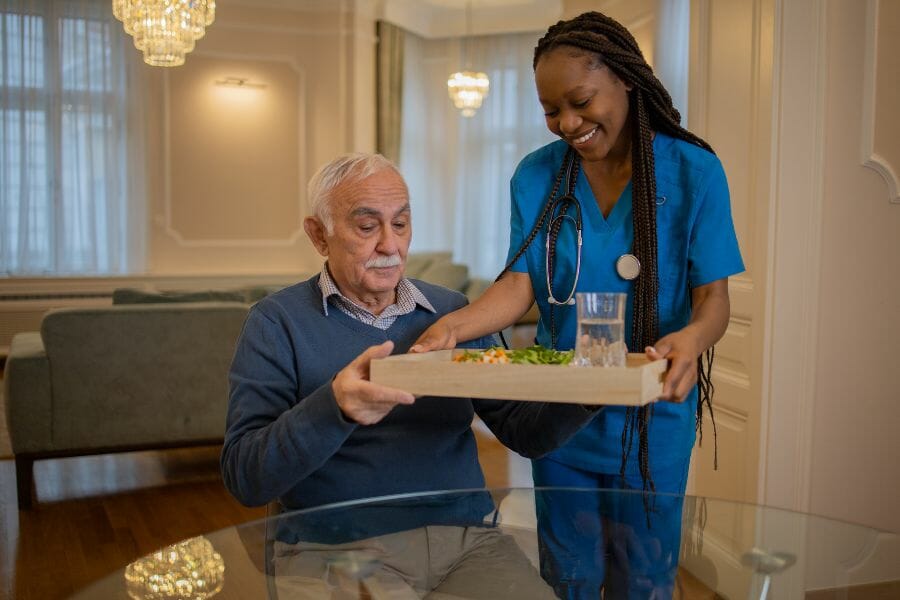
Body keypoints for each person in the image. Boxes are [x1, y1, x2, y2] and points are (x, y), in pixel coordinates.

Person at [411, 11, 745, 599]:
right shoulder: (536, 176)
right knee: (569, 576)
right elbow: (521, 285)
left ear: (626, 80)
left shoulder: (694, 172)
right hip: (561, 416)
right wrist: (454, 327)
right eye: (550, 110)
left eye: (580, 100)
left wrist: (691, 339)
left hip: (653, 419)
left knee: (643, 577)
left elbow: (713, 299)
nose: (566, 123)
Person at [220, 152, 601, 599]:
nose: (390, 245)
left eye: (400, 224)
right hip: (335, 547)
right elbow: (246, 478)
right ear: (318, 235)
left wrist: (589, 390)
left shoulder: (455, 312)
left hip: (466, 541)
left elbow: (521, 430)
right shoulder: (274, 323)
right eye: (367, 227)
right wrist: (336, 408)